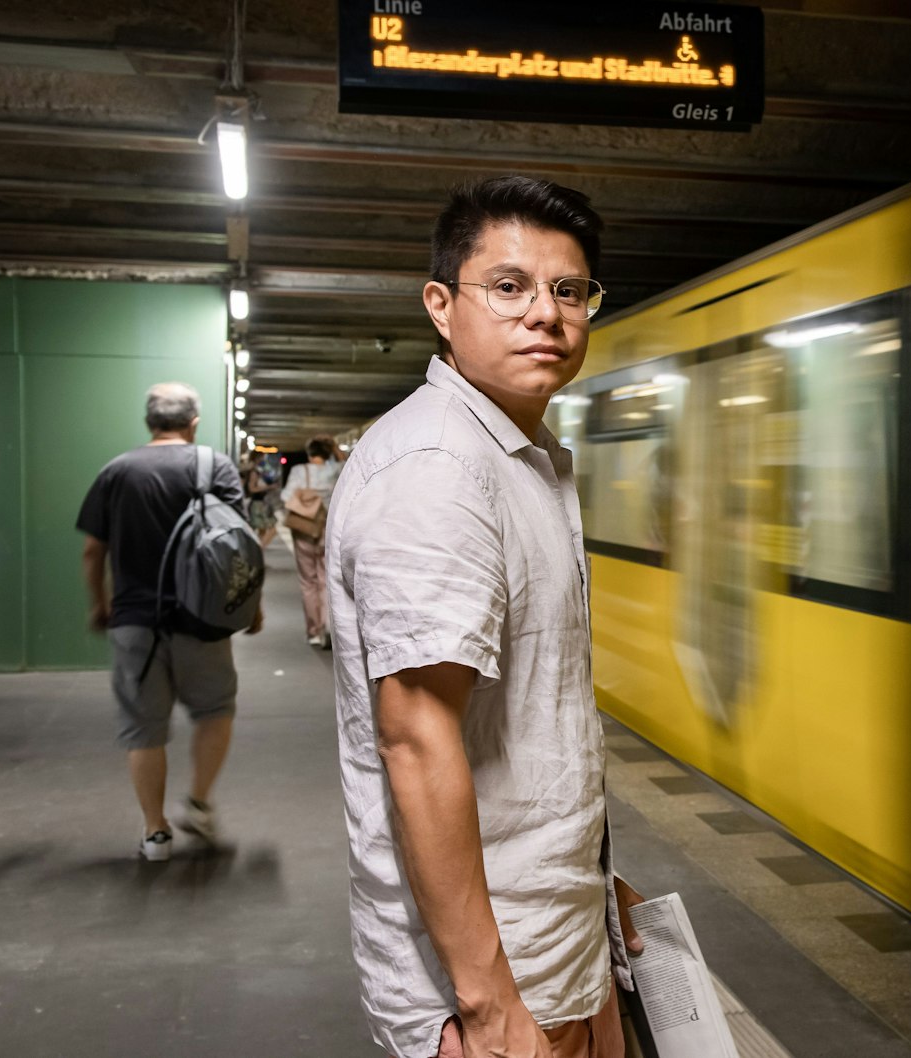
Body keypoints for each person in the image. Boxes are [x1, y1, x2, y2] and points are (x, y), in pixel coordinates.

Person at [325, 175, 642, 1058]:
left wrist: (589, 879)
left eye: (569, 290)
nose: (545, 312)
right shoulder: (440, 468)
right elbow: (417, 735)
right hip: (501, 981)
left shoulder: (522, 455)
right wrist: (491, 1008)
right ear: (441, 304)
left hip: (551, 939)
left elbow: (527, 725)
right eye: (508, 287)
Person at [78, 382, 260, 862]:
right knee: (216, 710)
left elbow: (93, 550)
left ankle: (155, 831)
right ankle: (199, 800)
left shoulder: (116, 471)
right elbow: (241, 544)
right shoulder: (212, 465)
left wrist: (101, 603)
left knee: (143, 729)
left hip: (135, 618)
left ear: (148, 421)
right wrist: (250, 607)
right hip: (203, 616)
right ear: (193, 421)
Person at [284, 436, 342, 648]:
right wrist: (335, 448)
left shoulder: (300, 471)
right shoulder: (336, 470)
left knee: (308, 581)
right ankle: (329, 627)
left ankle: (314, 632)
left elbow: (286, 496)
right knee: (326, 580)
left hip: (305, 529)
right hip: (328, 529)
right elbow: (344, 463)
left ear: (309, 453)